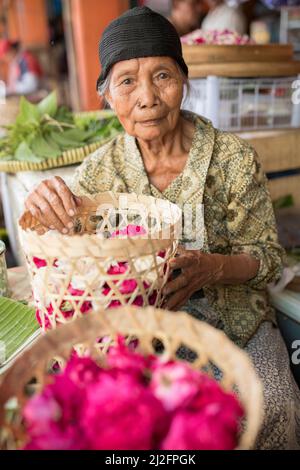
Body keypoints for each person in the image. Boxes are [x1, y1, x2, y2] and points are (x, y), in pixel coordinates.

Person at [24, 7, 300, 449]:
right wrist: (46, 208)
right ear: (107, 96)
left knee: (272, 404)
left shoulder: (233, 159)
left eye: (162, 76)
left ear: (184, 83)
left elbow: (268, 259)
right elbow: (76, 272)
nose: (147, 97)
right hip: (137, 336)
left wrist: (212, 268)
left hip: (233, 324)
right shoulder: (99, 173)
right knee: (123, 424)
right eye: (127, 81)